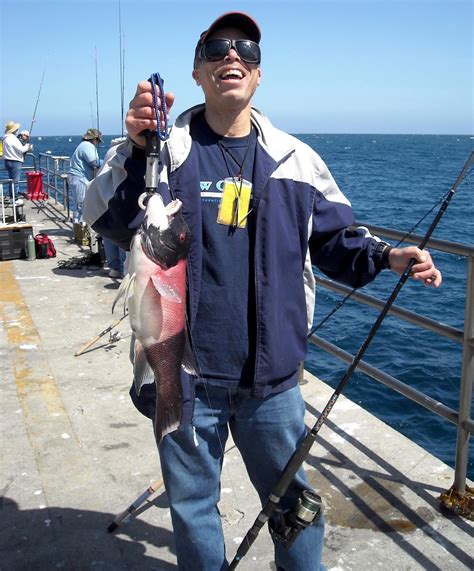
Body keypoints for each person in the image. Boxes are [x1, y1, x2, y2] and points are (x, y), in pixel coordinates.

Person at [84, 12, 442, 570]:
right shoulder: (163, 153)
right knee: (193, 507)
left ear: (259, 73)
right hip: (185, 375)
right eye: (218, 49)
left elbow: (336, 240)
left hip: (272, 382)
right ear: (198, 72)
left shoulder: (297, 160)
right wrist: (133, 149)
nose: (234, 57)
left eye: (246, 50)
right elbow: (107, 219)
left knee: (295, 507)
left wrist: (388, 256)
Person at [68, 128, 103, 223]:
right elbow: (94, 162)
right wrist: (108, 162)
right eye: (98, 140)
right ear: (94, 139)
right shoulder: (87, 146)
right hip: (80, 178)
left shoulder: (82, 145)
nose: (98, 143)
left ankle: (78, 232)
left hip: (76, 177)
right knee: (83, 206)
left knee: (78, 206)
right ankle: (82, 233)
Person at [2, 121, 33, 198]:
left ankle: (12, 196)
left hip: (7, 161)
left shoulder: (5, 138)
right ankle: (14, 198)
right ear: (14, 130)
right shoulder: (12, 139)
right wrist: (28, 146)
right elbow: (21, 149)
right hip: (15, 162)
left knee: (11, 181)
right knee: (15, 181)